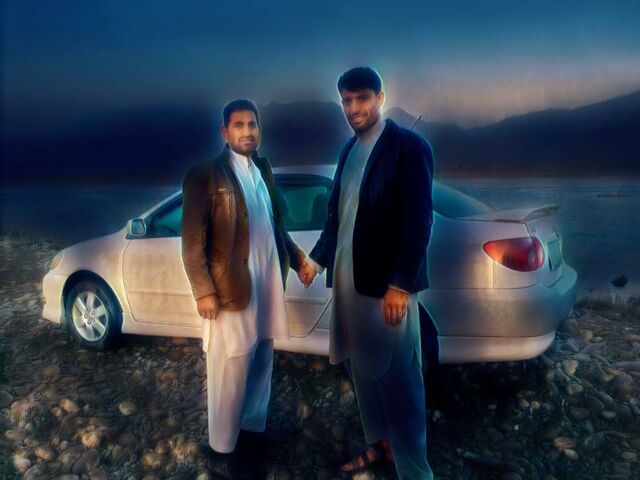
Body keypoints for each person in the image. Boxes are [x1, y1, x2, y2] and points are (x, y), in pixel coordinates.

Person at [298, 67, 435, 480]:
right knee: (363, 373)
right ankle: (380, 447)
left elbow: (418, 222)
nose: (354, 108)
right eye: (347, 100)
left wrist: (400, 285)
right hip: (348, 285)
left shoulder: (409, 147)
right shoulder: (348, 151)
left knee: (401, 381)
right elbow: (338, 218)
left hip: (386, 289)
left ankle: (416, 472)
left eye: (362, 98)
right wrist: (315, 261)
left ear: (380, 98)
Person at [181, 99, 306, 478]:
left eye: (252, 124)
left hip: (267, 284)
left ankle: (251, 435)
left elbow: (273, 225)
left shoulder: (262, 170)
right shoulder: (204, 176)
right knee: (230, 367)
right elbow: (191, 244)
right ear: (225, 132)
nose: (247, 131)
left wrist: (297, 257)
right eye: (239, 125)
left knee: (261, 360)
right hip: (230, 289)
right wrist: (204, 292)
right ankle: (222, 450)